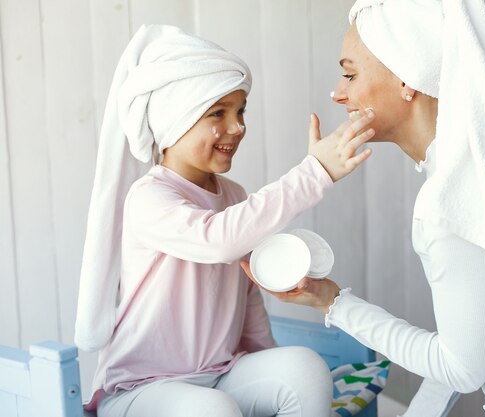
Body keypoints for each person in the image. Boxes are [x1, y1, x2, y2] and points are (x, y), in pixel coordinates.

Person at [241, 1, 485, 416]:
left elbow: (460, 370)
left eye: (350, 73)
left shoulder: (452, 201)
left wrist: (333, 302)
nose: (338, 92)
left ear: (408, 79)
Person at [73, 24, 375, 417]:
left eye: (240, 110)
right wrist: (314, 172)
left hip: (219, 373)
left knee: (305, 369)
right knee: (211, 410)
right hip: (143, 389)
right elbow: (219, 241)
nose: (238, 127)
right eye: (218, 113)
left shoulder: (234, 196)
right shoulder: (149, 198)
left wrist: (268, 362)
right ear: (173, 120)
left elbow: (246, 295)